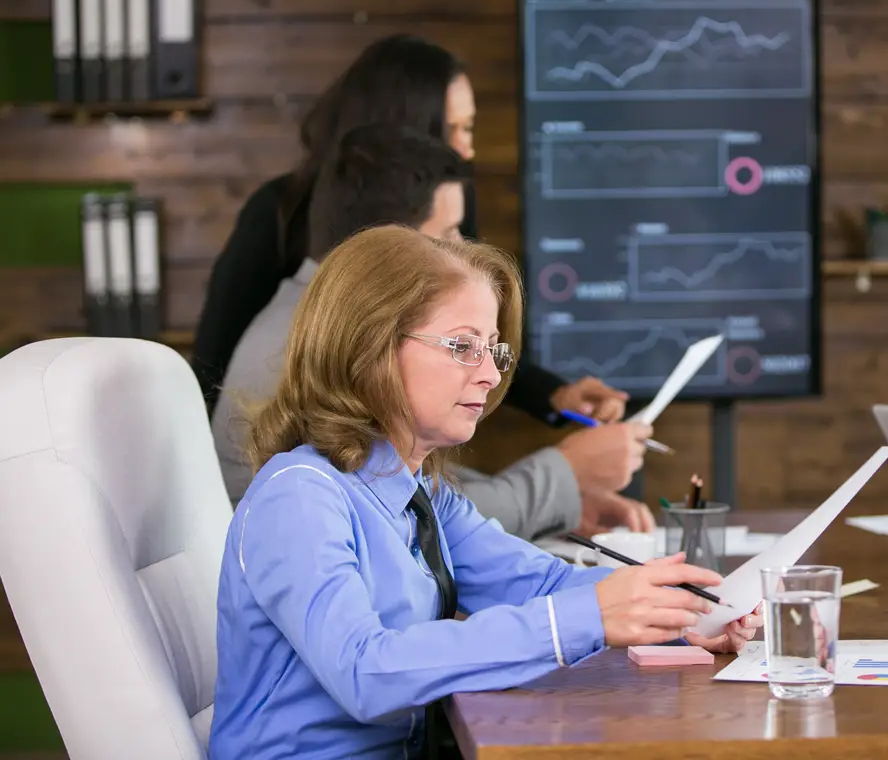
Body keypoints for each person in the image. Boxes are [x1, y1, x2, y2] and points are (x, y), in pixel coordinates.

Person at [206, 225, 760, 760]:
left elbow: (542, 583)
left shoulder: (418, 492)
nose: (491, 376)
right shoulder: (299, 497)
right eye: (463, 346)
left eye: (493, 350)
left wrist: (684, 615)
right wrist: (589, 615)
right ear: (369, 348)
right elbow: (365, 672)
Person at [190, 32, 652, 534]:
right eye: (448, 235)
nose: (460, 252)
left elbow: (413, 487)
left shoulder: (326, 303)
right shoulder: (326, 338)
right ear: (392, 239)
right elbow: (407, 512)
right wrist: (562, 474)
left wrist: (562, 497)